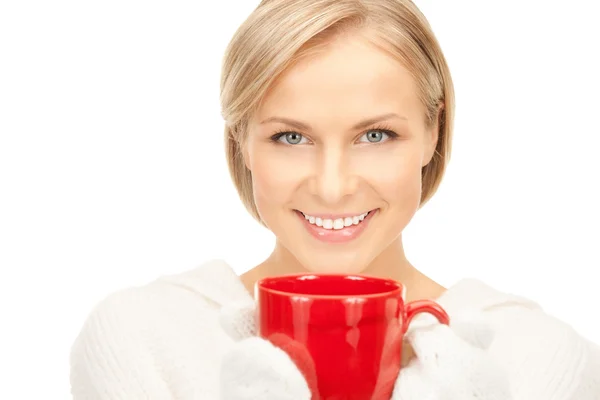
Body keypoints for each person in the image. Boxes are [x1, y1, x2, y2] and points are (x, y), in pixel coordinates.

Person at [69, 0, 600, 399]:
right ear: (242, 143)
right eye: (290, 137)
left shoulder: (534, 356)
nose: (331, 186)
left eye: (375, 135)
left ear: (433, 131)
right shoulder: (145, 336)